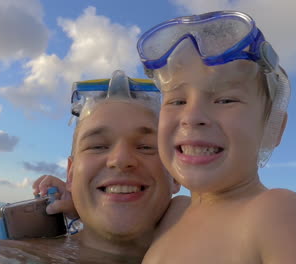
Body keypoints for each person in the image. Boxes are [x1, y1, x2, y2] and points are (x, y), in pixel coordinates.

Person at [136, 10, 296, 263]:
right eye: (177, 100)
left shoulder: (277, 213)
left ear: (273, 126)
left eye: (225, 99)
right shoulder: (173, 212)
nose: (191, 116)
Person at [33, 70, 184, 262]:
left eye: (146, 147)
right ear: (70, 174)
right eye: (98, 146)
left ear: (175, 174)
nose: (120, 160)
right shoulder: (11, 254)